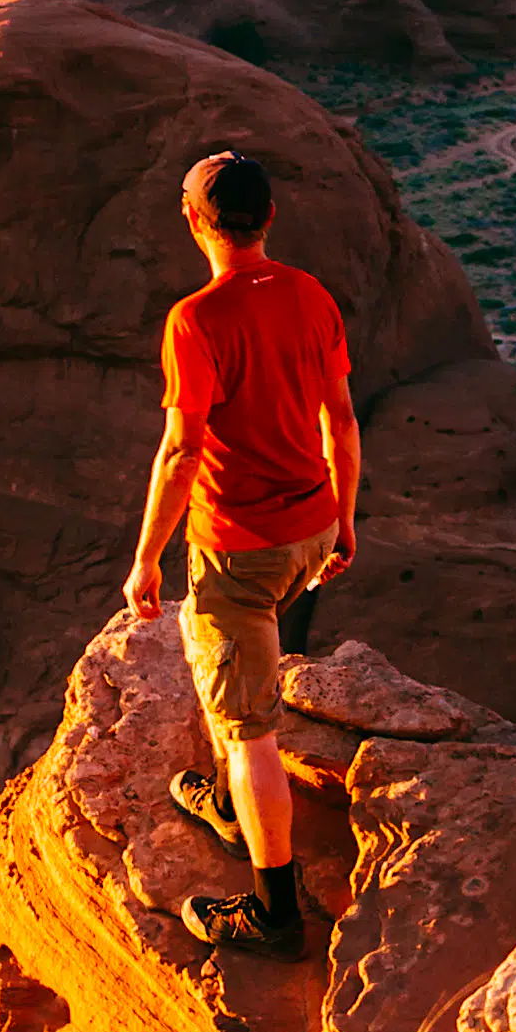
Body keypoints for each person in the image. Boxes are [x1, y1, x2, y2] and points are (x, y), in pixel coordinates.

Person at [121, 145, 359, 954]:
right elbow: (341, 419)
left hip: (240, 548)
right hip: (313, 530)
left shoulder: (196, 320)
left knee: (251, 725)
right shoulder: (309, 293)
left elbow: (180, 450)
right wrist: (345, 519)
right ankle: (230, 802)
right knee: (234, 672)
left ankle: (273, 913)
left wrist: (146, 557)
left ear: (193, 220)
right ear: (269, 217)